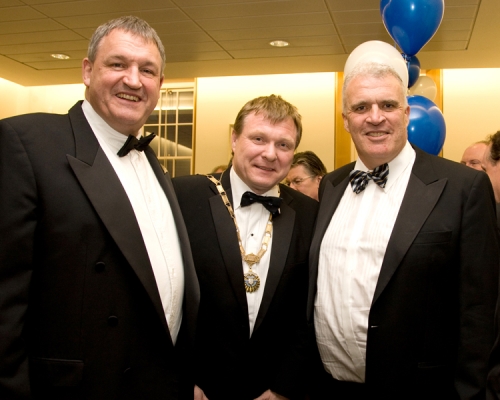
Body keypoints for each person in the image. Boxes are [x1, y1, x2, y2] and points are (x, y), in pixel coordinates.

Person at [0, 16, 199, 399]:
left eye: (147, 70)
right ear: (88, 71)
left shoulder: (153, 163)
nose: (133, 80)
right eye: (118, 64)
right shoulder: (25, 143)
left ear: (160, 84)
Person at [307, 60, 499, 399]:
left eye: (388, 105)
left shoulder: (463, 187)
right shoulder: (332, 185)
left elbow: (479, 310)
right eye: (361, 107)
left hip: (422, 391)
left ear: (406, 113)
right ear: (346, 120)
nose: (375, 117)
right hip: (329, 388)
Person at [172, 94, 318, 400]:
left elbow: (309, 311)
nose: (270, 154)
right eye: (258, 138)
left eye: (283, 144)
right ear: (234, 139)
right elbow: (162, 297)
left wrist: (283, 388)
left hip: (271, 390)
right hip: (196, 387)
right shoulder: (183, 197)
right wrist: (183, 379)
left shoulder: (310, 214)